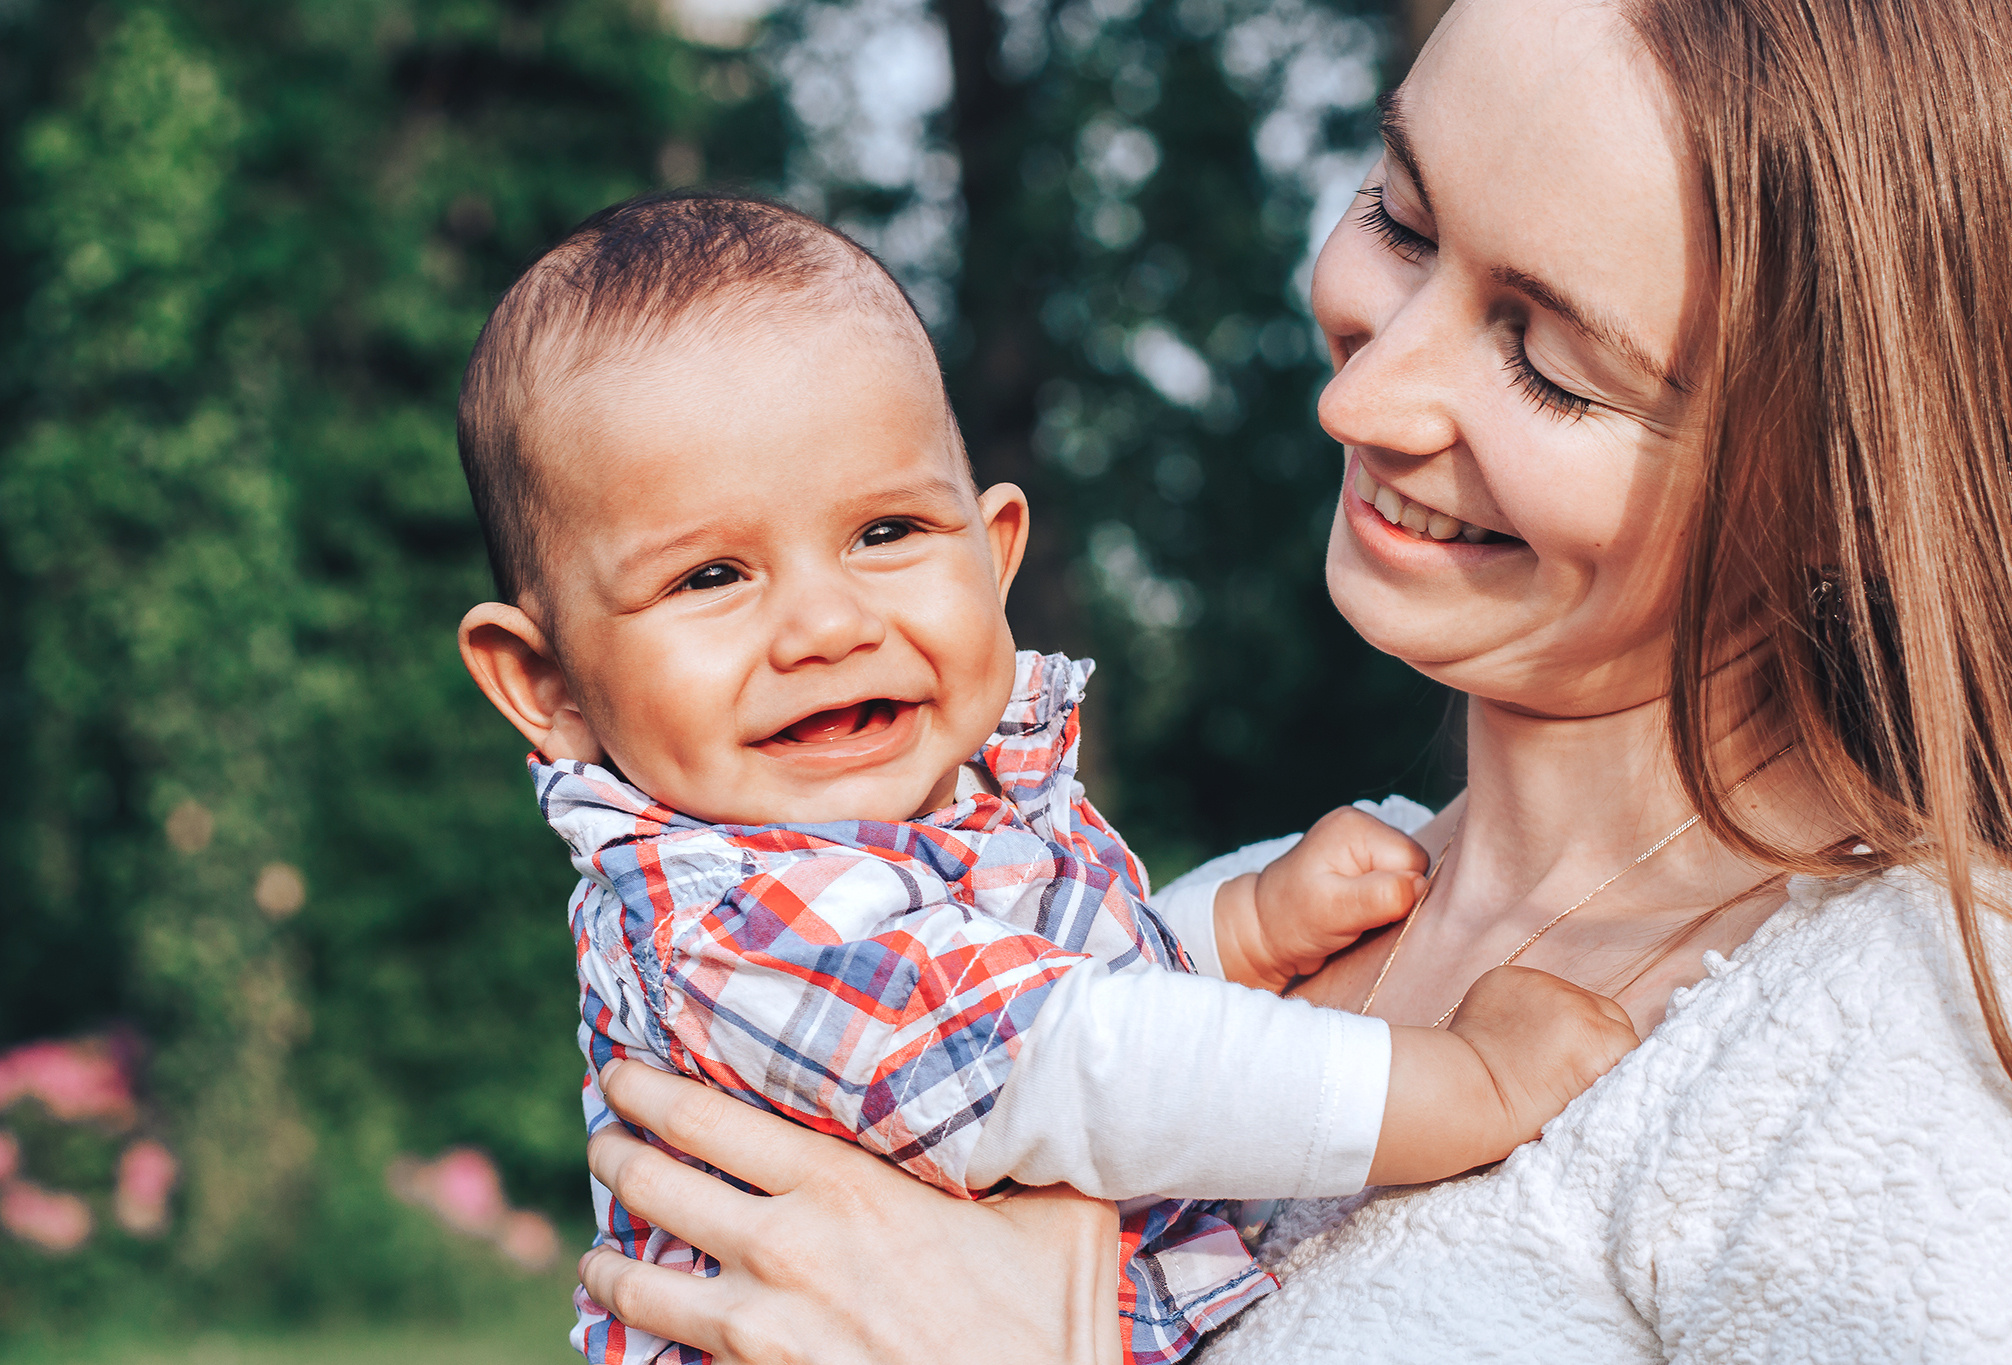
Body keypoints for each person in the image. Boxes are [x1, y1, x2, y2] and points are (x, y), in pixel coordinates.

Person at [566, 0, 2012, 1359]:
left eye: (1547, 363)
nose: (1358, 392)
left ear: (1856, 488)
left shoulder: (1911, 1035)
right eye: (1401, 221)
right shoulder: (1261, 905)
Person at [449, 193, 1640, 1364]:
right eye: (710, 576)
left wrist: (1238, 928)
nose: (824, 624)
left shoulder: (926, 820)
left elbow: (1042, 999)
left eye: (885, 535)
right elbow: (1083, 1065)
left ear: (992, 552)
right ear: (543, 682)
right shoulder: (729, 921)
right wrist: (1474, 1081)